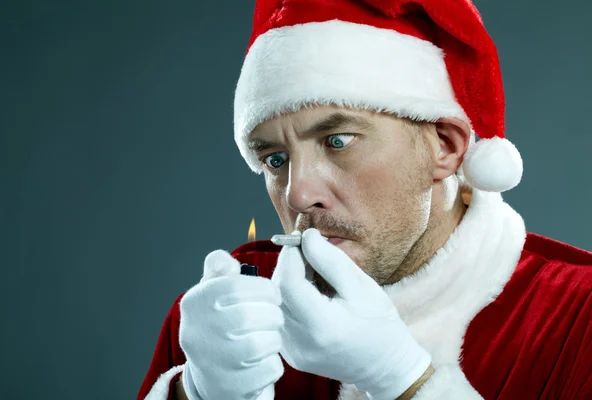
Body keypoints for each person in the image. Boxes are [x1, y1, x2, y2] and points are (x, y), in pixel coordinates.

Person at [138, 0, 592, 399]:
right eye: (275, 159)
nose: (298, 194)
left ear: (445, 147)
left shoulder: (576, 314)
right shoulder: (223, 319)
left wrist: (404, 379)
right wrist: (194, 393)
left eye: (337, 141)